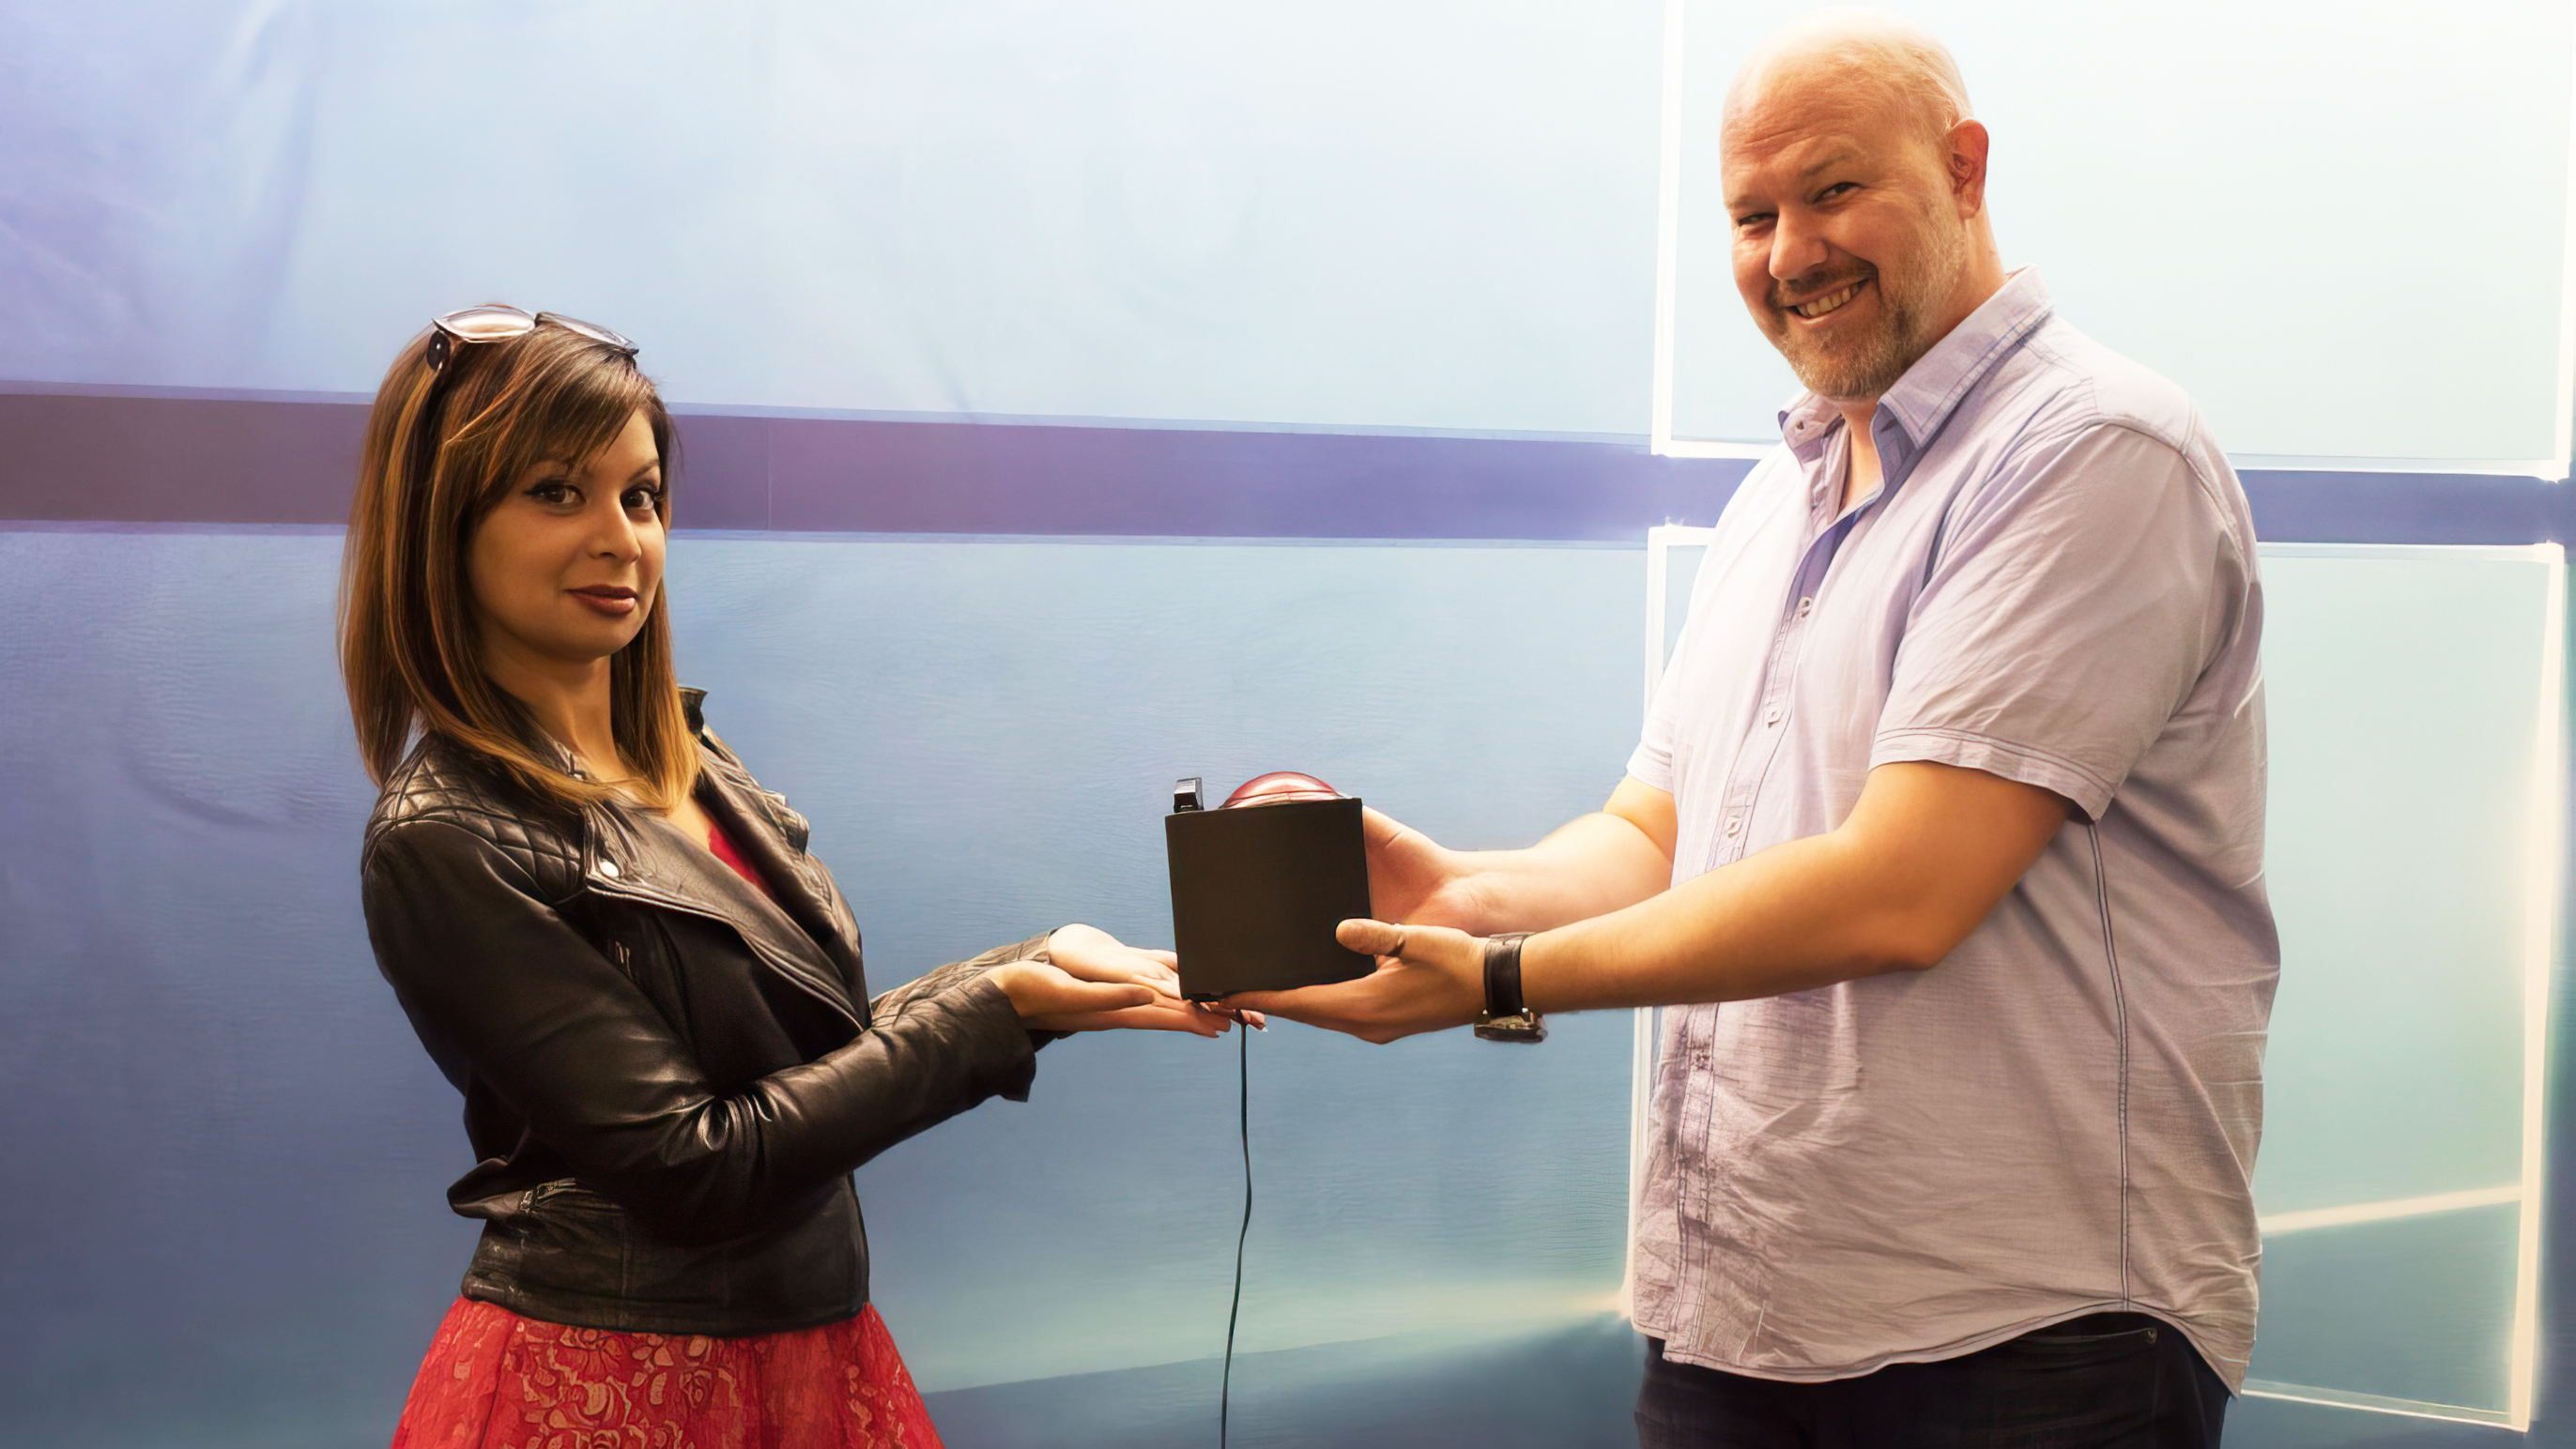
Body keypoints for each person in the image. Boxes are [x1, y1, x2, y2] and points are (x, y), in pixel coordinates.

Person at [1231, 13, 2271, 1447]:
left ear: (1965, 169)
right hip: (1748, 1318)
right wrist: (1459, 896)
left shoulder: (2094, 450)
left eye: (1835, 192)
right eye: (1751, 215)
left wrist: (1498, 980)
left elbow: (1903, 888)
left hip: (2031, 1336)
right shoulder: (1774, 498)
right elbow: (1656, 835)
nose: (1791, 254)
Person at [342, 306, 1235, 1448]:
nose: (622, 538)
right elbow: (701, 1162)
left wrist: (1034, 970)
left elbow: (817, 1062)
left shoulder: (688, 756)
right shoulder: (443, 834)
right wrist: (994, 1008)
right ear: (440, 522)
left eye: (642, 494)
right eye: (556, 492)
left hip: (806, 1346)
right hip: (610, 1385)